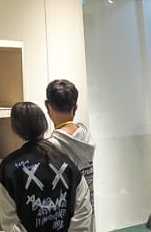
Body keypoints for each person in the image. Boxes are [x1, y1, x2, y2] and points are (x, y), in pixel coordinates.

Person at [0, 102, 92, 232]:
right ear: (44, 124)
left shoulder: (8, 168)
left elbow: (10, 222)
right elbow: (83, 208)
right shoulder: (64, 160)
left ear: (15, 129)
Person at [45, 79, 96, 217]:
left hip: (63, 222)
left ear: (47, 105)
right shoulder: (86, 137)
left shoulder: (50, 147)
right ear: (75, 106)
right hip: (87, 219)